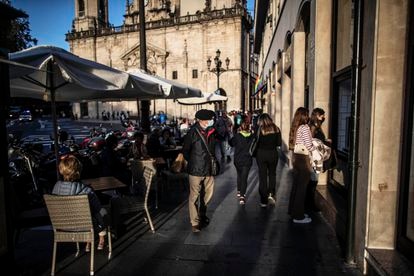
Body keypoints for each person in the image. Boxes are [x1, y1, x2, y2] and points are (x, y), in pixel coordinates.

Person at [52, 155, 107, 251]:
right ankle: (100, 238)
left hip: (62, 227)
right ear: (79, 171)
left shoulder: (56, 188)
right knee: (102, 212)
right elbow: (97, 208)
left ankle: (89, 242)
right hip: (85, 227)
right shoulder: (87, 190)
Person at [182, 109, 216, 233]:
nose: (212, 121)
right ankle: (195, 222)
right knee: (194, 196)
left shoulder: (212, 131)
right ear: (203, 121)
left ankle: (201, 213)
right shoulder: (192, 133)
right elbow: (185, 150)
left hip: (209, 169)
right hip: (196, 169)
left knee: (208, 193)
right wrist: (193, 162)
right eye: (210, 119)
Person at [288, 107, 314, 224]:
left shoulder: (295, 127)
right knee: (302, 188)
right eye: (307, 114)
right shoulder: (304, 127)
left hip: (297, 157)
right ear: (304, 116)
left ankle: (293, 211)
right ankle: (298, 216)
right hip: (303, 159)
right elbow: (309, 145)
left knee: (296, 186)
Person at [254, 113, 282, 207]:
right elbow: (279, 143)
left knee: (262, 176)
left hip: (261, 154)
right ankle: (271, 194)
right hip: (273, 154)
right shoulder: (276, 129)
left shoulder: (259, 129)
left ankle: (263, 200)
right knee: (272, 174)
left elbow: (255, 142)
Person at [306, 107, 330, 213]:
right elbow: (311, 142)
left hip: (317, 157)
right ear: (316, 116)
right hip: (314, 158)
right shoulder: (313, 127)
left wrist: (325, 140)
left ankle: (310, 204)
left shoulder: (317, 126)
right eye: (322, 115)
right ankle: (309, 205)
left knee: (313, 182)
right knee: (312, 182)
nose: (324, 117)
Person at [229, 119, 253, 205]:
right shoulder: (252, 136)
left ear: (240, 128)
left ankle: (239, 191)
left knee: (239, 175)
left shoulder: (237, 136)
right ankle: (242, 196)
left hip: (238, 159)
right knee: (244, 177)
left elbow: (231, 143)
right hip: (247, 159)